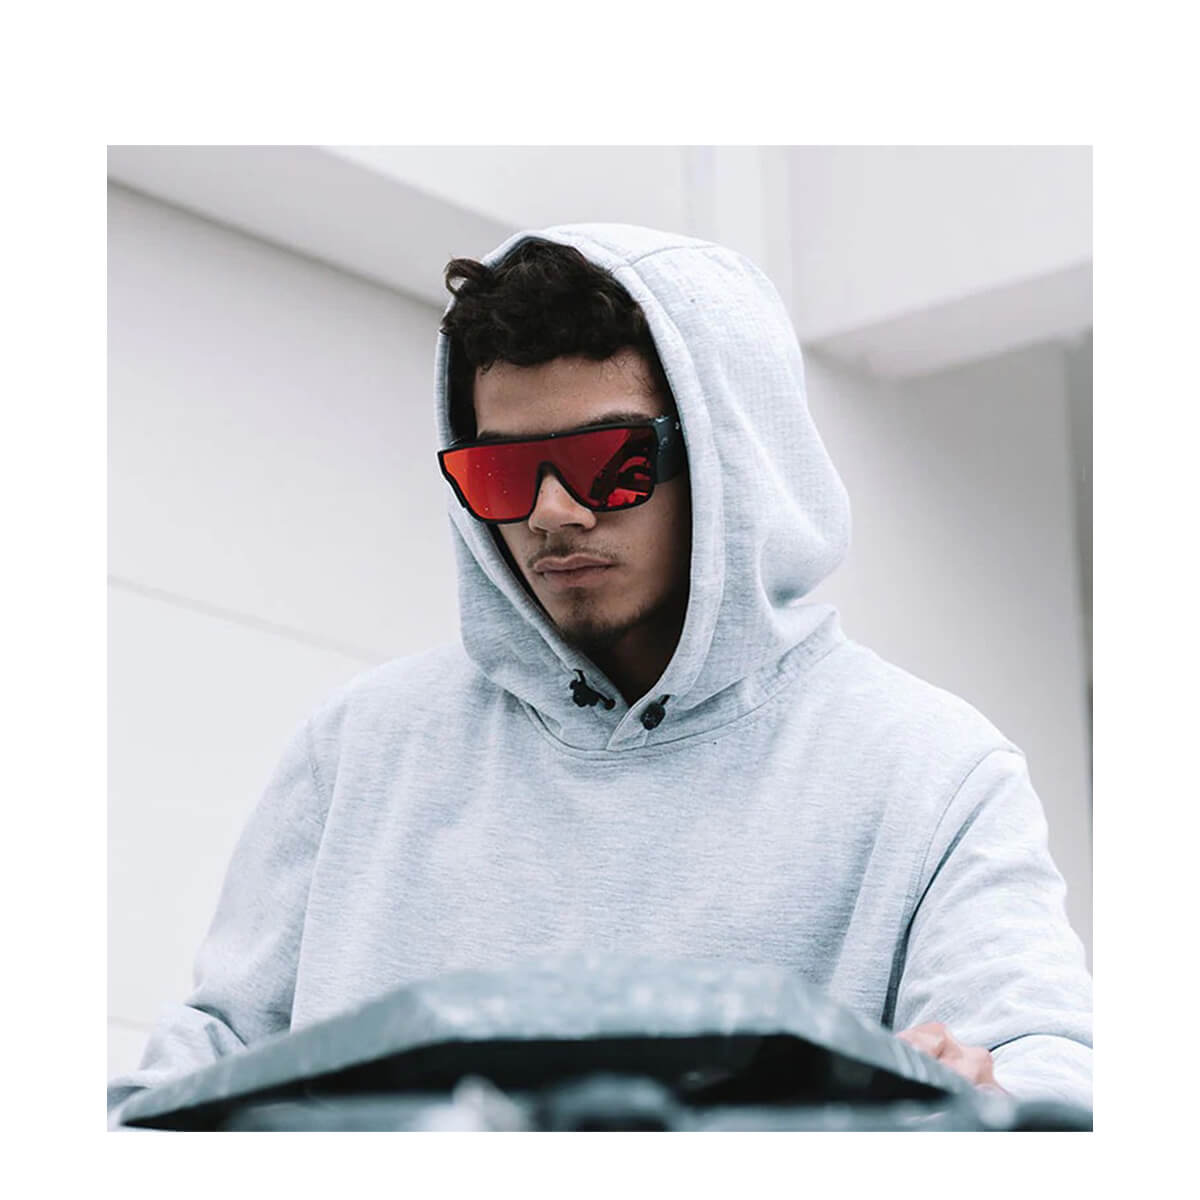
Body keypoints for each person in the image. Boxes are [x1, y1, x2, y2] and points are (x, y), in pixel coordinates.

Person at [107, 223, 1092, 1125]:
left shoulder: (930, 769)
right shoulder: (360, 749)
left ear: (732, 453)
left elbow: (1047, 1083)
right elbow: (181, 1090)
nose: (552, 512)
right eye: (501, 473)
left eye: (609, 462)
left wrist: (983, 1101)